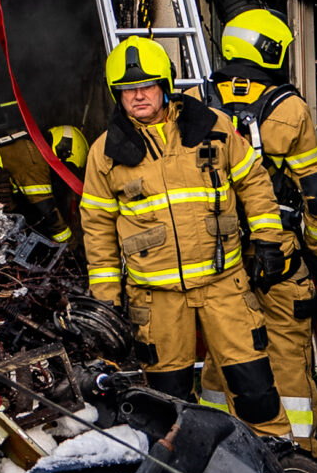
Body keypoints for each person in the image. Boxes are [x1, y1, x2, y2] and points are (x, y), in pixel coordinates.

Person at [79, 35, 283, 425]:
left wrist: (268, 241)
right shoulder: (105, 152)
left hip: (225, 286)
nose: (138, 96)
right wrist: (106, 299)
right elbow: (98, 228)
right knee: (166, 407)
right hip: (156, 301)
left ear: (165, 87)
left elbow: (253, 183)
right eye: (127, 90)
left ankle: (279, 470)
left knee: (255, 391)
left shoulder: (212, 127)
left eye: (147, 86)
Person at [212, 7, 317, 450]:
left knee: (222, 359)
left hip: (217, 261)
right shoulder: (290, 110)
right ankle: (297, 457)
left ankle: (220, 455)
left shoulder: (197, 104)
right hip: (279, 261)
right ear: (268, 51)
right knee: (286, 357)